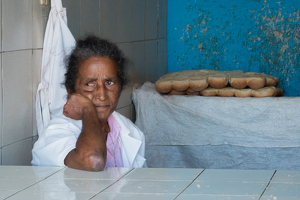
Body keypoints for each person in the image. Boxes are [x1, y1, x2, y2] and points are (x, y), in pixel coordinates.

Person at [32, 35, 146, 171]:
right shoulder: (55, 133)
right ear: (71, 90)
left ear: (120, 87)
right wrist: (87, 109)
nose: (102, 95)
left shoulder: (131, 132)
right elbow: (93, 161)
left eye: (110, 83)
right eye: (89, 84)